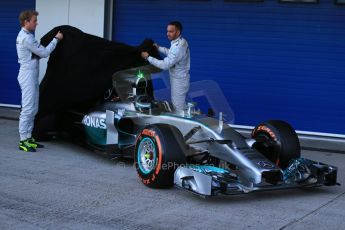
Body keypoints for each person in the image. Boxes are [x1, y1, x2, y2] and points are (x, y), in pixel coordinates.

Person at [16, 9, 63, 152]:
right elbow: (43, 52)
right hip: (27, 76)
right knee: (28, 109)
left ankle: (29, 137)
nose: (37, 23)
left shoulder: (27, 35)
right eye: (34, 21)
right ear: (26, 22)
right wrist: (56, 39)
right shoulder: (26, 38)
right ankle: (23, 140)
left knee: (34, 108)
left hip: (31, 75)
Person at [141, 21, 190, 115]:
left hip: (179, 81)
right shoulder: (181, 41)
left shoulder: (178, 47)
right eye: (167, 31)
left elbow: (165, 65)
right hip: (181, 78)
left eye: (171, 31)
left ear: (178, 32)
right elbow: (172, 53)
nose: (168, 33)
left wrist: (148, 57)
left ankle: (181, 128)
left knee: (178, 110)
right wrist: (159, 48)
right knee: (181, 106)